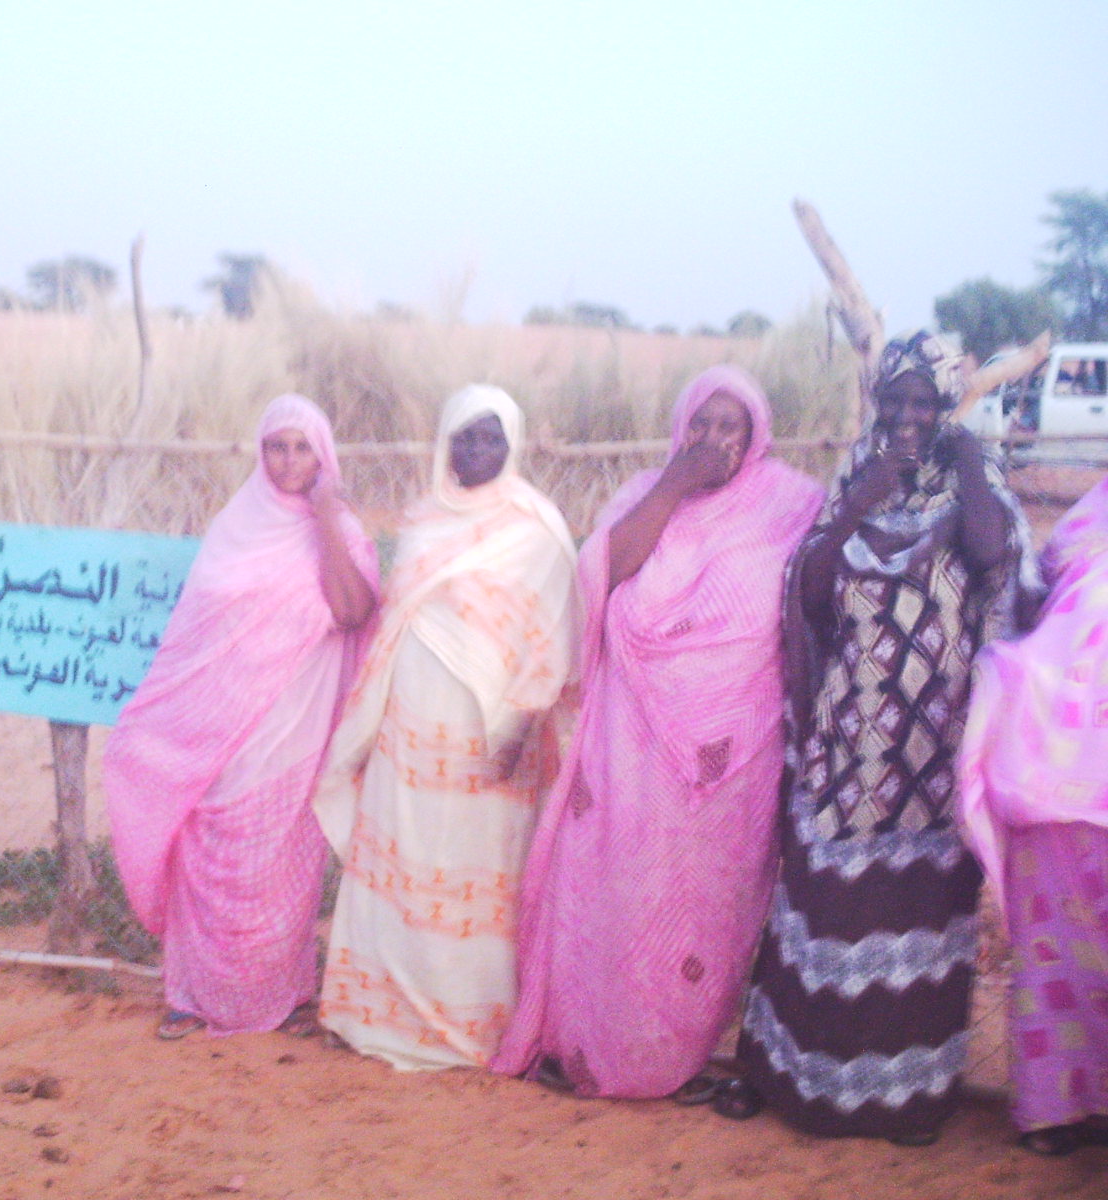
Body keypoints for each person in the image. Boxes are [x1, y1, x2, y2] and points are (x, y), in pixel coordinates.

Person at [722, 330, 1037, 1144]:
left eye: (923, 400)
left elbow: (993, 554)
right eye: (894, 398)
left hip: (932, 745)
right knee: (822, 900)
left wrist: (968, 457)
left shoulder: (972, 477)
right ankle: (794, 1083)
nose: (906, 415)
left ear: (945, 404)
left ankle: (904, 1101)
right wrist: (861, 500)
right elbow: (810, 591)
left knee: (918, 916)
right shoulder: (858, 473)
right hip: (848, 737)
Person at [492, 366, 824, 1099]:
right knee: (613, 892)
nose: (712, 440)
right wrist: (674, 484)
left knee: (700, 913)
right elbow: (604, 573)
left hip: (730, 760)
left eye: (729, 427)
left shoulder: (790, 505)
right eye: (700, 424)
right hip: (629, 745)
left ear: (756, 437)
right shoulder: (644, 495)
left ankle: (668, 1059)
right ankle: (586, 1047)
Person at [314, 384, 577, 1071]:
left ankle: (469, 1029)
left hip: (490, 734)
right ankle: (378, 1016)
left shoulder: (537, 528)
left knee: (475, 869)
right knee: (403, 854)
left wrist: (518, 726)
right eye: (465, 437)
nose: (477, 450)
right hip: (408, 725)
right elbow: (400, 619)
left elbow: (552, 635)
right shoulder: (425, 518)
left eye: (491, 438)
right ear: (445, 444)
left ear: (512, 445)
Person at [105, 394, 378, 1040]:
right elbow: (197, 635)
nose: (288, 462)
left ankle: (284, 998)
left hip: (295, 728)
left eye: (302, 448)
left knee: (280, 867)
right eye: (276, 447)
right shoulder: (234, 527)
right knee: (211, 854)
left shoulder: (339, 529)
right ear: (261, 453)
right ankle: (191, 997)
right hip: (222, 731)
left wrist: (326, 513)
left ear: (323, 455)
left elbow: (352, 611)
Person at [959, 473, 1108, 1156]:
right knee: (1055, 953)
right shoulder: (1084, 523)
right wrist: (1010, 674)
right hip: (1052, 773)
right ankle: (1053, 1109)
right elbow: (1040, 604)